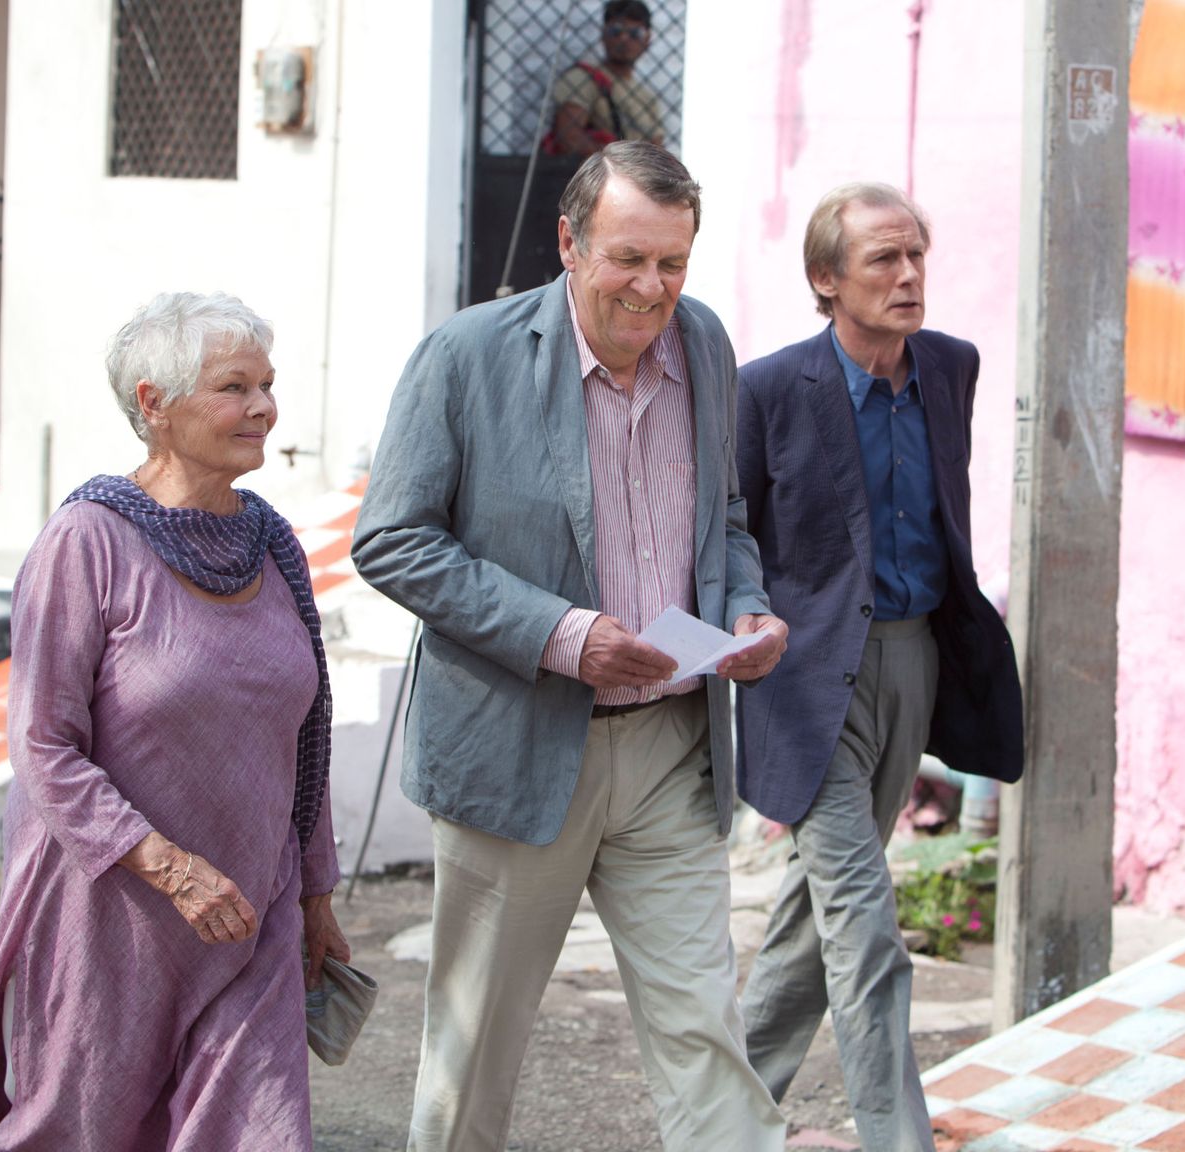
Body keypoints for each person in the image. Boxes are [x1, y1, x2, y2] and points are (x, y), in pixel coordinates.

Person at [353, 141, 790, 1152]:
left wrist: (744, 611)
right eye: (627, 259)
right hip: (516, 749)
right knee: (473, 1059)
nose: (651, 289)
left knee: (703, 1035)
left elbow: (721, 520)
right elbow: (391, 540)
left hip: (671, 749)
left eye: (672, 265)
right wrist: (562, 635)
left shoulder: (707, 347)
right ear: (567, 243)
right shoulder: (466, 356)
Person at [0, 291, 350, 1152]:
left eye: (268, 385)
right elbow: (44, 745)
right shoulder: (86, 541)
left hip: (249, 911)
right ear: (155, 405)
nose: (264, 407)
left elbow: (305, 733)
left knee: (259, 1133)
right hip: (112, 908)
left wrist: (314, 893)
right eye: (236, 387)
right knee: (78, 1130)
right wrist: (170, 870)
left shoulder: (271, 542)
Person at [733, 183, 1024, 1150]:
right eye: (882, 262)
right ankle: (898, 1138)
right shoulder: (769, 389)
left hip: (915, 662)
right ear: (827, 280)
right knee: (862, 925)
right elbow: (729, 530)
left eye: (916, 258)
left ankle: (725, 1120)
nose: (907, 278)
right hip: (807, 682)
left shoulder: (950, 367)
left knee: (810, 928)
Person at [547, 1, 666, 156]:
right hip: (599, 175)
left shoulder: (648, 98)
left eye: (635, 33)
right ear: (603, 34)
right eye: (616, 31)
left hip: (636, 174)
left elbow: (657, 150)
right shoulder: (583, 78)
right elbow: (570, 137)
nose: (624, 38)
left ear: (647, 39)